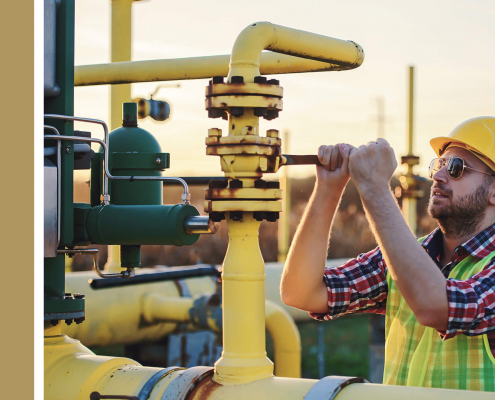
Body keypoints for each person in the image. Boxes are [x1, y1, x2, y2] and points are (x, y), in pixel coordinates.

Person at [280, 116, 495, 391]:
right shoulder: (405, 257)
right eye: (438, 165)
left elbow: (437, 307)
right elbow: (301, 291)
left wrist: (374, 189)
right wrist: (328, 189)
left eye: (456, 168)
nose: (438, 176)